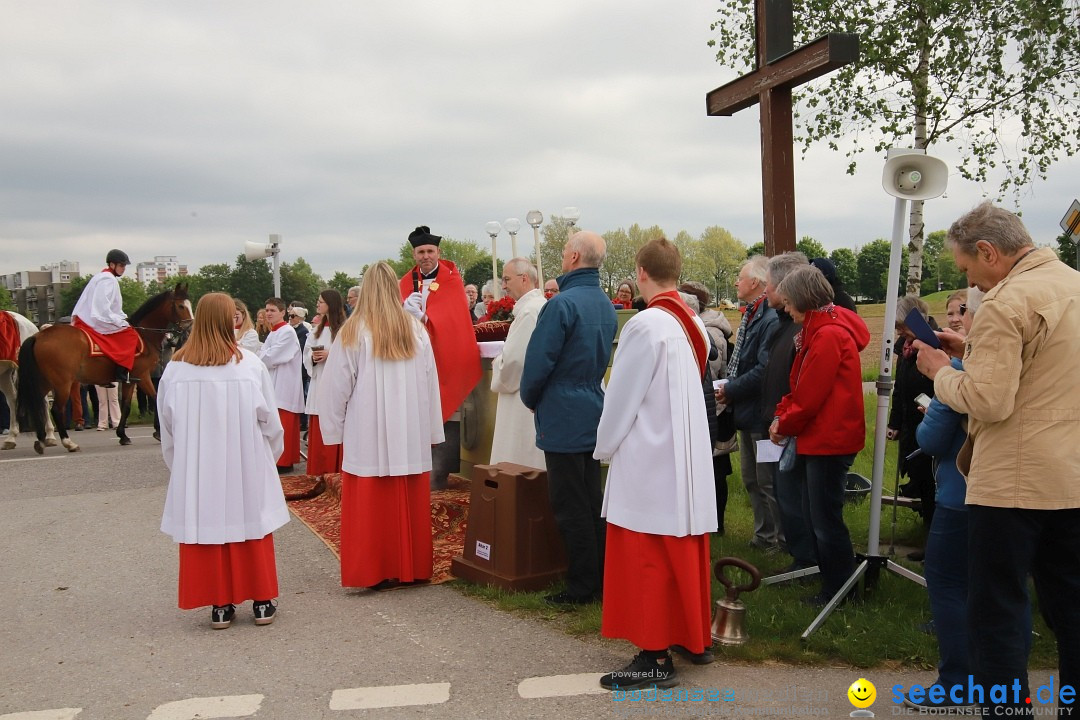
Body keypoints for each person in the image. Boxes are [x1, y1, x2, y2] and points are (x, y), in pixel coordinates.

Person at [913, 202, 1080, 713]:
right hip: (1070, 475)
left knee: (998, 611)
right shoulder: (1072, 283)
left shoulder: (1006, 303)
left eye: (968, 270)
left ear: (988, 251)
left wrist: (941, 370)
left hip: (1013, 481)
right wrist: (972, 347)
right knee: (1070, 607)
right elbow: (1044, 367)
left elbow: (989, 400)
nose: (973, 283)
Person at [595, 238, 716, 690]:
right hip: (683, 451)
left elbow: (622, 396)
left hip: (651, 454)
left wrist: (603, 446)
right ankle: (691, 637)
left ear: (641, 272)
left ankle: (654, 656)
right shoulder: (692, 323)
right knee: (678, 548)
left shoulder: (646, 324)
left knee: (647, 556)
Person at [158, 292, 289, 629]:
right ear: (230, 320)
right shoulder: (248, 363)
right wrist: (267, 459)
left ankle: (220, 603)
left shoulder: (176, 369)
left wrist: (184, 464)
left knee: (210, 527)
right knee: (252, 523)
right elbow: (271, 423)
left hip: (200, 466)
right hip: (246, 460)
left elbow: (167, 426)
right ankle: (261, 600)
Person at [321, 262, 443, 590]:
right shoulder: (415, 329)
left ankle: (375, 569)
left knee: (371, 503)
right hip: (410, 427)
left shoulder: (353, 330)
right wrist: (431, 428)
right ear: (394, 288)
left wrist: (334, 428)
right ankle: (412, 567)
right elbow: (432, 382)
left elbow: (335, 387)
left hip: (368, 428)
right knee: (407, 497)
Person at [521, 230, 617, 605]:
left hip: (562, 407)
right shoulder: (605, 303)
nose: (562, 257)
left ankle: (582, 585)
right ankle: (600, 575)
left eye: (564, 252)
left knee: (569, 503)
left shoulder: (561, 304)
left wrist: (532, 397)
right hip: (593, 401)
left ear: (575, 257)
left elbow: (538, 361)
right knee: (591, 498)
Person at [769, 265, 869, 607]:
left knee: (825, 521)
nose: (785, 308)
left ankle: (840, 591)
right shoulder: (820, 329)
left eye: (788, 301)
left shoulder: (827, 335)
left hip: (830, 439)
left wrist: (784, 423)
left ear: (803, 300)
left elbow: (810, 395)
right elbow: (799, 384)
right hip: (824, 437)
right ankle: (836, 585)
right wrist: (784, 413)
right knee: (819, 517)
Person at [910, 286, 980, 710]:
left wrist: (940, 385)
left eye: (963, 314)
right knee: (997, 589)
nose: (955, 322)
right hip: (1011, 495)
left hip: (960, 494)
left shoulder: (960, 371)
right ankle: (1001, 679)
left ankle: (956, 681)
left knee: (949, 583)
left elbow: (932, 439)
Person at [399, 226, 482, 489]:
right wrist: (403, 313)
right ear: (414, 254)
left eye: (430, 251)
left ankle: (440, 472)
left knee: (445, 412)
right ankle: (416, 469)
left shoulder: (451, 279)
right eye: (421, 252)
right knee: (416, 411)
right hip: (412, 357)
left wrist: (424, 318)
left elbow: (454, 318)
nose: (426, 256)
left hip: (444, 357)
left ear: (438, 252)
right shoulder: (404, 282)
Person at [716, 255, 782, 552]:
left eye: (740, 278)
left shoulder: (767, 318)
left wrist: (731, 388)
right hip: (747, 411)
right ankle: (763, 536)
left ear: (755, 283)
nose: (736, 283)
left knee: (767, 481)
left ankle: (778, 540)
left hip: (759, 413)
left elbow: (763, 369)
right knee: (751, 479)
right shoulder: (752, 313)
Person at [760, 252, 817, 574]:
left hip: (794, 427)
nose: (767, 291)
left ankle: (808, 561)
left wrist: (785, 418)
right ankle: (800, 558)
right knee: (784, 495)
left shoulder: (801, 329)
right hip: (780, 421)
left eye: (769, 285)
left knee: (797, 499)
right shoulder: (785, 326)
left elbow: (803, 388)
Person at [680, 280, 734, 535]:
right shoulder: (707, 326)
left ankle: (717, 525)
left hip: (714, 409)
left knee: (715, 471)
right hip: (713, 408)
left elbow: (707, 372)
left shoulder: (708, 331)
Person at [489, 259, 546, 469]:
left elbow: (514, 362)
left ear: (524, 279)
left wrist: (498, 363)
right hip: (529, 394)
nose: (503, 286)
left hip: (522, 399)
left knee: (520, 459)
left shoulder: (530, 312)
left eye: (506, 279)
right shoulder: (535, 307)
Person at [888, 295, 938, 530]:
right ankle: (928, 535)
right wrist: (894, 422)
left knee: (932, 484)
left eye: (902, 326)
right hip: (911, 424)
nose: (899, 332)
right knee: (920, 481)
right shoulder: (905, 348)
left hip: (931, 423)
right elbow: (900, 388)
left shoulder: (934, 345)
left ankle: (933, 540)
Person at [71, 249, 140, 384]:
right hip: (94, 319)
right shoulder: (108, 280)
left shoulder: (102, 277)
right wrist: (120, 322)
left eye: (124, 266)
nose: (123, 269)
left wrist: (123, 318)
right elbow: (102, 309)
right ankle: (121, 372)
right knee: (130, 335)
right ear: (112, 265)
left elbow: (114, 308)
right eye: (121, 265)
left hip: (89, 317)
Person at [303, 289, 347, 476]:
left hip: (335, 384)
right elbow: (305, 353)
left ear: (331, 303)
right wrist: (312, 358)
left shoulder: (345, 328)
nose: (318, 304)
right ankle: (317, 471)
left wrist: (331, 355)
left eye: (321, 301)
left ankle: (333, 472)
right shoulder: (317, 329)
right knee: (318, 425)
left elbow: (350, 354)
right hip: (319, 380)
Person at [257, 298, 304, 473]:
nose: (268, 313)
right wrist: (262, 355)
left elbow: (271, 357)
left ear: (283, 312)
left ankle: (284, 461)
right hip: (274, 381)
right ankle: (279, 459)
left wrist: (260, 356)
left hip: (284, 384)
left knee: (284, 422)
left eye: (273, 310)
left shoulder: (287, 332)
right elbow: (265, 354)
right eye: (267, 310)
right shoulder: (273, 332)